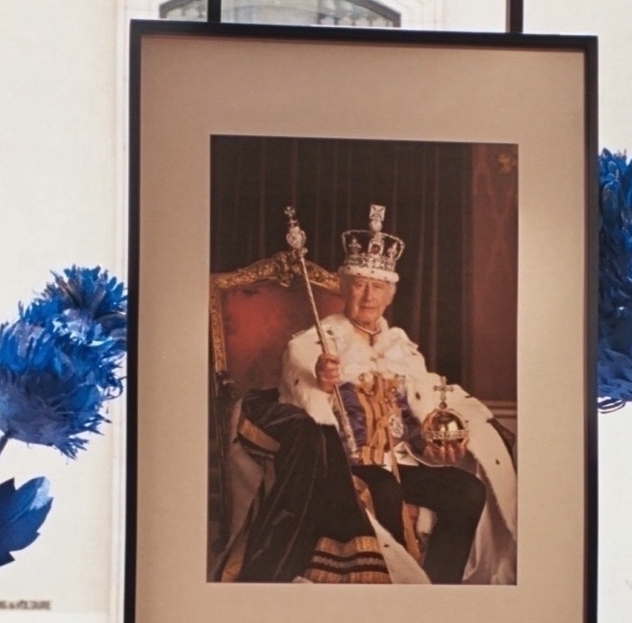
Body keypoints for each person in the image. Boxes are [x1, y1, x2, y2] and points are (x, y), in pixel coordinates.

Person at [216, 204, 517, 586]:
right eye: (359, 284)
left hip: (399, 460)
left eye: (378, 286)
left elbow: (420, 418)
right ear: (343, 287)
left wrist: (436, 444)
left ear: (391, 293)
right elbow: (298, 386)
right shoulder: (316, 342)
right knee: (385, 489)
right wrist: (320, 378)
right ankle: (392, 589)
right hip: (342, 463)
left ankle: (440, 587)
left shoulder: (403, 349)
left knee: (466, 491)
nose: (368, 295)